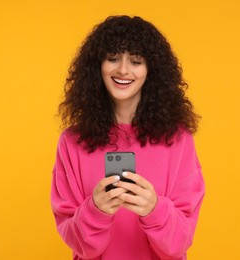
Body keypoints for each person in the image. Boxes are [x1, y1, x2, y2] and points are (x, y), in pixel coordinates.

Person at [51, 15, 205, 260]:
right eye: (113, 58)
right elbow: (79, 244)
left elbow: (180, 242)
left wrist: (154, 209)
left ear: (150, 71)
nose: (123, 70)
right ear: (97, 66)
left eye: (136, 61)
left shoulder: (179, 141)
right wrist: (96, 210)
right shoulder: (71, 142)